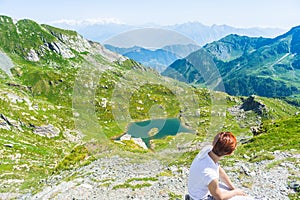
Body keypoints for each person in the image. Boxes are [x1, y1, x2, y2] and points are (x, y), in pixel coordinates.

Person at [187, 132, 253, 200]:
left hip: (194, 192)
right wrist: (235, 192)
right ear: (229, 153)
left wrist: (233, 188)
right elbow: (220, 197)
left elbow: (219, 169)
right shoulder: (210, 174)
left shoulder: (207, 151)